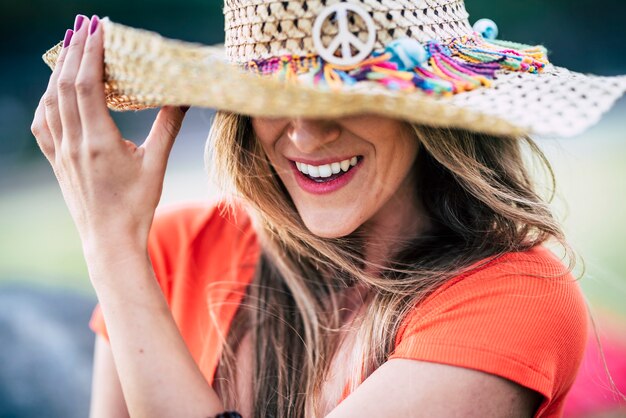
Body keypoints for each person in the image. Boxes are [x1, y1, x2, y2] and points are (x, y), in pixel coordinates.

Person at [33, 2, 626, 417]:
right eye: (270, 97)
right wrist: (120, 248)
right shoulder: (169, 253)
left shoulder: (515, 297)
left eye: (348, 95)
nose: (307, 136)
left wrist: (111, 245)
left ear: (427, 109)